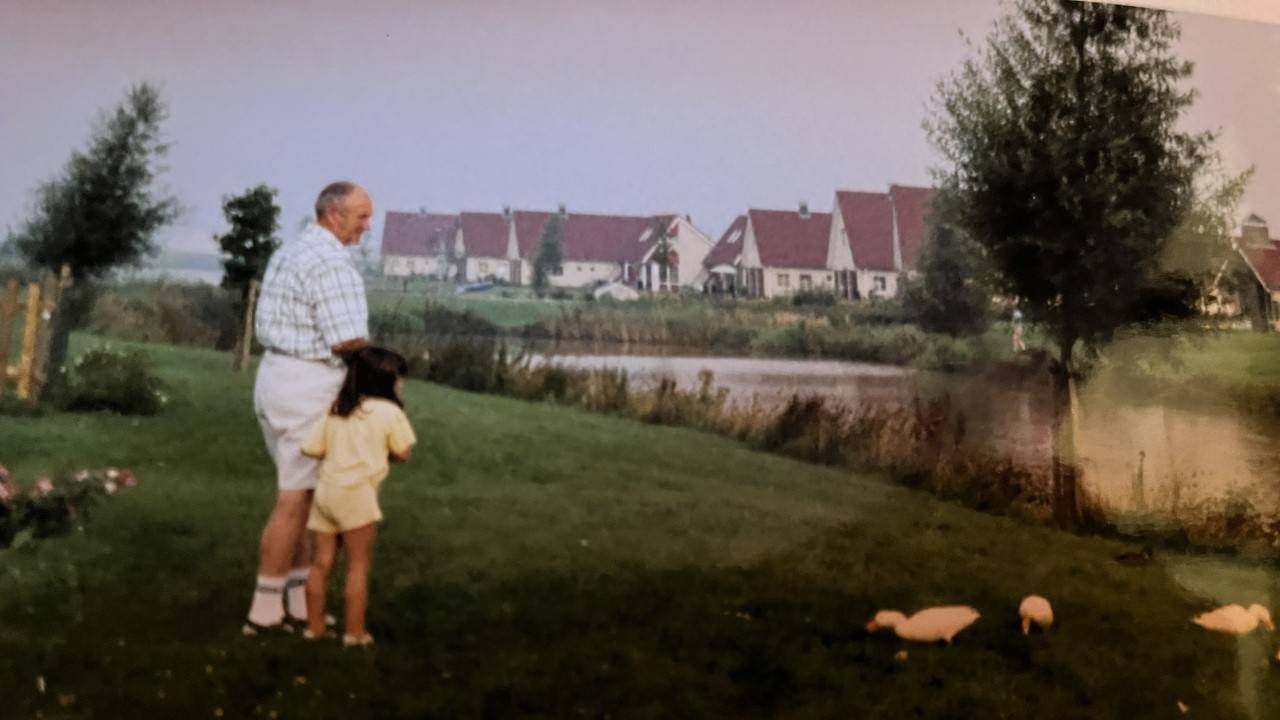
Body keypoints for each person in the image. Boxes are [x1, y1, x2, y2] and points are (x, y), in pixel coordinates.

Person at [243, 181, 373, 635]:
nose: (366, 226)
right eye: (361, 216)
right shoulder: (332, 263)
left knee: (307, 494)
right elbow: (348, 342)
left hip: (276, 379)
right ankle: (262, 613)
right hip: (307, 387)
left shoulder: (291, 250)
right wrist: (389, 370)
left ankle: (297, 602)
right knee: (295, 499)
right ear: (333, 214)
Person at [301, 346, 416, 646]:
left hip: (326, 493)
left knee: (321, 563)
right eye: (398, 379)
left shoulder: (339, 408)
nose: (400, 385)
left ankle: (313, 629)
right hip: (357, 497)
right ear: (384, 382)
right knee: (358, 566)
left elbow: (311, 448)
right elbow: (404, 452)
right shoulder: (390, 413)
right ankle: (354, 634)